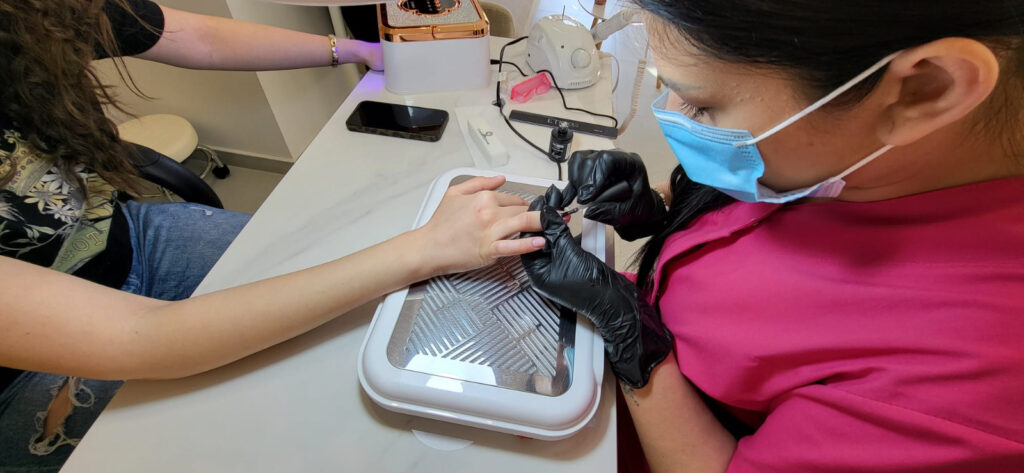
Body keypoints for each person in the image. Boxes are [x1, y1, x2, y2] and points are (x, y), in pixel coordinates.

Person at [0, 0, 543, 471]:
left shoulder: (33, 14)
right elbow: (142, 336)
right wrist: (423, 248)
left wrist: (361, 51)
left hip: (121, 235)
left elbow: (194, 35)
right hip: (27, 367)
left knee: (348, 314)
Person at [522, 1, 1024, 472]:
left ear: (926, 88)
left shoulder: (973, 385)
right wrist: (662, 208)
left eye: (701, 105)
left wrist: (633, 339)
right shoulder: (863, 158)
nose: (674, 110)